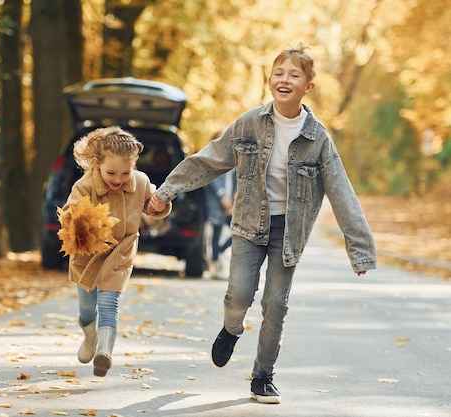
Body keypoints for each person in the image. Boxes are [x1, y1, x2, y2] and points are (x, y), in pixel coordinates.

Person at [149, 43, 376, 404]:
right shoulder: (250, 122)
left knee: (275, 303)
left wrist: (360, 251)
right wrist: (167, 191)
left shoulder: (319, 139)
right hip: (249, 224)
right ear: (270, 80)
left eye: (294, 75)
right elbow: (210, 159)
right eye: (279, 73)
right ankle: (231, 328)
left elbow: (342, 192)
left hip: (289, 232)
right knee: (239, 294)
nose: (284, 80)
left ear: (308, 87)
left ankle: (263, 375)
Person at [61, 126, 171, 377]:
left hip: (121, 250)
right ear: (97, 163)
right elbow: (70, 213)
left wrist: (159, 205)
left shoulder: (140, 182)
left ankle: (104, 353)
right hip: (87, 253)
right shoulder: (85, 184)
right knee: (88, 306)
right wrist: (78, 220)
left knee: (109, 301)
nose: (118, 179)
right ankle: (90, 337)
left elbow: (153, 207)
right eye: (111, 172)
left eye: (125, 172)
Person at [205, 167, 236, 280]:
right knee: (216, 234)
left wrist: (232, 201)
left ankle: (219, 251)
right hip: (217, 206)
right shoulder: (218, 167)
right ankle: (215, 262)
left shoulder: (234, 171)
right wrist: (222, 199)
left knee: (237, 231)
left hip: (230, 207)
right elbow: (213, 183)